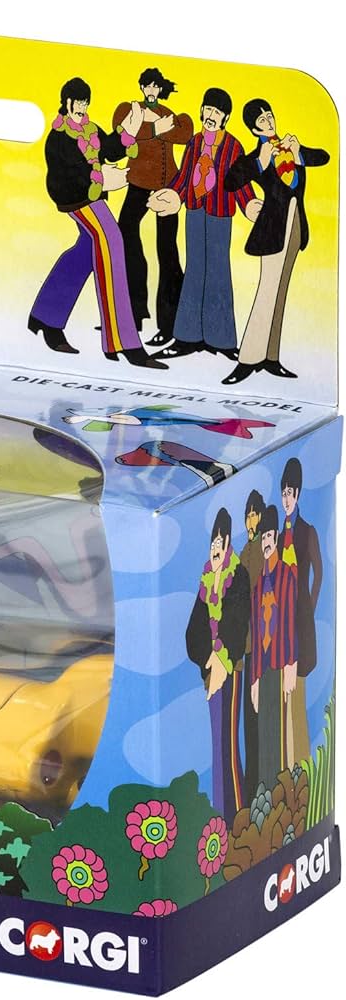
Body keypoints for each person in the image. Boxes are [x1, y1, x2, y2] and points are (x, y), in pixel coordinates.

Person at [28, 77, 167, 369]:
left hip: (92, 196)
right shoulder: (59, 137)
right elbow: (70, 174)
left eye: (85, 102)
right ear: (66, 103)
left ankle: (46, 316)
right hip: (76, 200)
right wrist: (102, 178)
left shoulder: (89, 129)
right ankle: (122, 341)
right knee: (111, 240)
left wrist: (129, 128)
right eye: (77, 102)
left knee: (85, 252)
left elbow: (109, 148)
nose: (82, 107)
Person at [146, 88, 261, 360]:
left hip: (220, 214)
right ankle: (187, 338)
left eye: (217, 112)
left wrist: (249, 204)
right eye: (208, 109)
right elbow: (184, 177)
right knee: (195, 271)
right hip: (195, 211)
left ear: (225, 118)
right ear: (201, 111)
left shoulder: (233, 146)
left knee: (219, 272)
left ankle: (222, 340)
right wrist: (172, 195)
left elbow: (239, 182)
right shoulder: (194, 143)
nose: (211, 115)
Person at [222, 101, 330, 384]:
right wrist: (260, 161)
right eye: (262, 119)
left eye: (269, 115)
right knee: (267, 290)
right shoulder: (258, 155)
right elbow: (230, 182)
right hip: (272, 229)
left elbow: (324, 157)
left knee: (280, 293)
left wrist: (298, 152)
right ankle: (247, 360)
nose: (268, 121)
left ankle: (271, 358)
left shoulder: (289, 148)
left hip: (295, 225)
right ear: (253, 128)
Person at [112, 69, 194, 348]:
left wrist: (155, 127)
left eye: (155, 86)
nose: (150, 90)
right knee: (125, 237)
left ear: (160, 89)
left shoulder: (168, 113)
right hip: (138, 183)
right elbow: (121, 129)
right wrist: (155, 129)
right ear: (141, 87)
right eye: (146, 85)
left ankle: (170, 324)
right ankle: (133, 313)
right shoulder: (129, 109)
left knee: (167, 250)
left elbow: (185, 132)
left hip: (167, 186)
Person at [185, 507, 250, 818]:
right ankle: (220, 810)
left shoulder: (238, 576)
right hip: (210, 670)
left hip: (231, 670)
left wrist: (222, 660)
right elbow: (194, 629)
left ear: (228, 546)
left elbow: (238, 622)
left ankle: (235, 813)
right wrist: (208, 658)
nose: (215, 548)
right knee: (215, 742)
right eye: (213, 542)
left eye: (220, 543)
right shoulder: (205, 581)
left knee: (228, 741)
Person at [249, 505, 299, 787]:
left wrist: (292, 662)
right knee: (263, 729)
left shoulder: (285, 576)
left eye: (270, 536)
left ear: (277, 537)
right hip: (264, 664)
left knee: (280, 727)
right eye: (263, 538)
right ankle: (266, 790)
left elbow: (290, 621)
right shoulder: (258, 584)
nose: (266, 542)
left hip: (281, 660)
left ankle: (280, 788)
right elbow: (256, 634)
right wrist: (254, 677)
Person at [278, 457, 323, 764]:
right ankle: (289, 767)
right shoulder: (278, 535)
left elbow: (319, 573)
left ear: (298, 494)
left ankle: (301, 767)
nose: (286, 499)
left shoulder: (307, 532)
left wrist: (309, 607)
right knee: (284, 696)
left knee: (299, 691)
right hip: (281, 624)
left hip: (300, 621)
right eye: (283, 493)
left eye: (290, 493)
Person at [239, 490, 266, 803]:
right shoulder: (245, 550)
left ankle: (257, 786)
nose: (250, 520)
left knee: (258, 717)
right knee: (249, 718)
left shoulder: (261, 550)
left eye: (253, 514)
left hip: (261, 649)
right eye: (247, 515)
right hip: (245, 650)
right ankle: (249, 789)